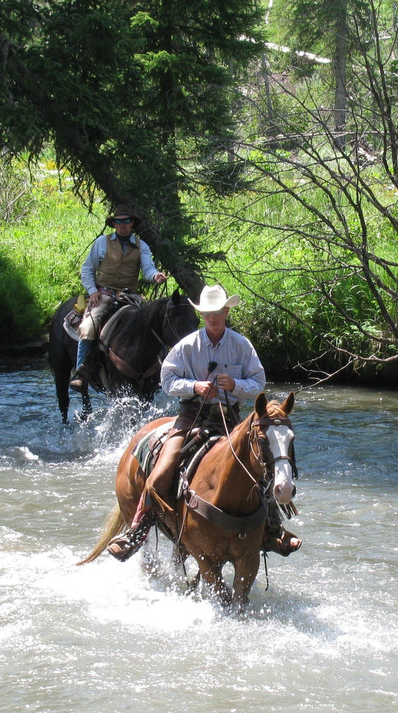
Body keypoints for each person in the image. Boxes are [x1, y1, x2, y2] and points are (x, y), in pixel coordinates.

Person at [107, 284, 266, 559]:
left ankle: (272, 528)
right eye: (207, 314)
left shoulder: (242, 346)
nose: (212, 319)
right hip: (192, 416)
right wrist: (195, 387)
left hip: (230, 419)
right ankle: (138, 528)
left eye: (217, 312)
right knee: (162, 471)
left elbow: (258, 383)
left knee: (263, 468)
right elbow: (167, 381)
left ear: (226, 311)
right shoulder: (187, 346)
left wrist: (236, 385)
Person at [70, 204, 167, 392]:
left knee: (153, 323)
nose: (123, 225)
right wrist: (92, 291)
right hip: (104, 293)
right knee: (88, 326)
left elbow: (147, 268)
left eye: (126, 221)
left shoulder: (141, 246)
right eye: (119, 221)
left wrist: (155, 276)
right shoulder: (101, 243)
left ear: (132, 224)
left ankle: (163, 368)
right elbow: (87, 269)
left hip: (129, 295)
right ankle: (82, 372)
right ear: (114, 224)